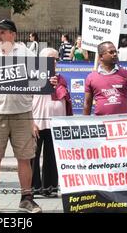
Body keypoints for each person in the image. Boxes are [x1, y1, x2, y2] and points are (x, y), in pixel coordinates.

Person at [0, 19, 57, 213]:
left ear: (13, 34)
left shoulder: (26, 54)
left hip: (22, 114)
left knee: (25, 157)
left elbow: (39, 82)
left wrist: (49, 80)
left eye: (3, 32)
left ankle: (26, 198)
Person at [31, 48, 73, 197]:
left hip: (55, 124)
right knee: (32, 156)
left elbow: (64, 97)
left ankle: (49, 188)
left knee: (52, 157)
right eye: (51, 59)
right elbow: (26, 101)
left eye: (56, 59)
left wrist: (58, 86)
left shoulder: (61, 79)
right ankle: (33, 188)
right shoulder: (33, 76)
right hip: (37, 122)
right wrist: (30, 122)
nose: (54, 62)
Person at [83, 41, 127, 116]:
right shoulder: (91, 77)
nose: (114, 54)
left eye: (115, 52)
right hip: (101, 123)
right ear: (101, 56)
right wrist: (84, 123)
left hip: (121, 124)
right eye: (111, 52)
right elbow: (87, 104)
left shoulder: (126, 74)